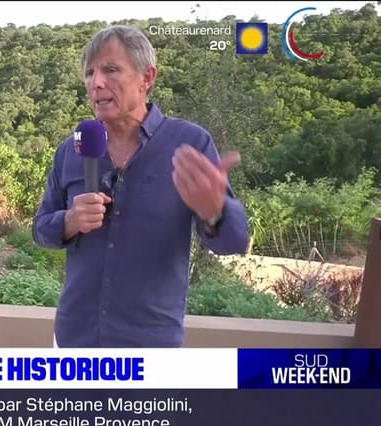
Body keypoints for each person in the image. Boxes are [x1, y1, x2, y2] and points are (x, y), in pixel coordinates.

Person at [33, 24, 250, 349]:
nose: (97, 83)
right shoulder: (73, 148)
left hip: (150, 350)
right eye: (90, 73)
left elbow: (234, 242)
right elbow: (40, 230)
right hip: (74, 342)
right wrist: (69, 222)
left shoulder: (188, 144)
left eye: (110, 70)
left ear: (147, 78)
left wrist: (216, 212)